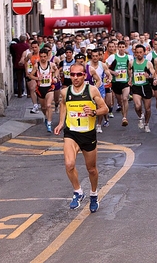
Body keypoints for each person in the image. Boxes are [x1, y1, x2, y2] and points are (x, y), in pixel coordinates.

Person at [54, 63, 108, 213]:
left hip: (88, 133)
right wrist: (60, 123)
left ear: (85, 76)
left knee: (91, 169)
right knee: (69, 164)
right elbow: (63, 105)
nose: (75, 78)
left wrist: (94, 112)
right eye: (72, 75)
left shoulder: (91, 90)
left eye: (79, 75)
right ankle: (78, 192)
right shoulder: (65, 92)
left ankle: (93, 194)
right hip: (71, 133)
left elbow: (105, 108)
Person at [128, 44, 155, 133]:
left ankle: (146, 124)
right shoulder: (132, 62)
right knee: (137, 105)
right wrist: (130, 78)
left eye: (141, 52)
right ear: (135, 53)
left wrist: (149, 76)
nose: (139, 54)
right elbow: (129, 70)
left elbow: (154, 74)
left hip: (146, 86)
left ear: (144, 53)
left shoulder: (148, 63)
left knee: (147, 108)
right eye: (137, 53)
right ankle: (140, 116)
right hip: (136, 87)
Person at [106, 40, 133, 126]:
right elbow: (105, 68)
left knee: (125, 98)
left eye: (123, 47)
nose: (121, 49)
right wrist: (113, 73)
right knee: (121, 101)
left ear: (125, 48)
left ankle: (125, 117)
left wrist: (131, 78)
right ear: (117, 48)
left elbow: (131, 69)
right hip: (116, 82)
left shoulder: (129, 57)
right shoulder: (112, 57)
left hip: (125, 81)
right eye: (120, 47)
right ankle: (123, 116)